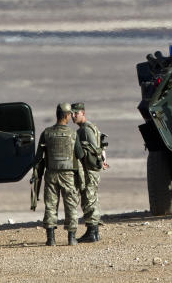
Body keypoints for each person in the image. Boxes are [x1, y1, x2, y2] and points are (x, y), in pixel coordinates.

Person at [35, 103, 83, 246]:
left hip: (51, 174)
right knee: (71, 205)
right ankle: (72, 238)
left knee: (50, 205)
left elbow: (38, 157)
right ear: (67, 116)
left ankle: (51, 239)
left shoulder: (46, 133)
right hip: (68, 175)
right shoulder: (73, 134)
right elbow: (80, 154)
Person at [72, 102, 107, 243]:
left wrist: (97, 160)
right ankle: (93, 231)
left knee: (89, 198)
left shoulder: (86, 130)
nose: (73, 116)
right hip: (92, 168)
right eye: (72, 113)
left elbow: (94, 149)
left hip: (89, 169)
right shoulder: (88, 128)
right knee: (91, 198)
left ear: (83, 113)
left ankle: (92, 232)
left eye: (76, 113)